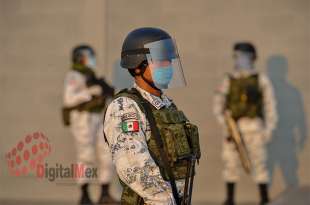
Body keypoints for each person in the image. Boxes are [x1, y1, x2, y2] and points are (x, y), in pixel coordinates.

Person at [103, 27, 201, 205]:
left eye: (169, 61)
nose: (169, 67)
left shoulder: (167, 106)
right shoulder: (125, 107)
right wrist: (164, 200)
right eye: (161, 61)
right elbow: (133, 167)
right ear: (138, 66)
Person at [213, 42, 278, 205]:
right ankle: (230, 199)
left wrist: (269, 129)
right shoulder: (228, 79)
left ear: (252, 58)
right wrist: (226, 126)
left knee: (259, 163)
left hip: (255, 127)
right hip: (234, 129)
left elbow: (270, 105)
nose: (239, 59)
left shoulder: (261, 79)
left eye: (243, 55)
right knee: (230, 164)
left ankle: (264, 198)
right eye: (236, 56)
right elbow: (218, 104)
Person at [62, 44, 117, 205]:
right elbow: (68, 100)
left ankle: (104, 194)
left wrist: (104, 91)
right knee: (85, 157)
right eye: (88, 56)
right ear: (79, 58)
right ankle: (84, 195)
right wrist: (90, 92)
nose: (91, 59)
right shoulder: (74, 76)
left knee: (107, 153)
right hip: (82, 119)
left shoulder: (90, 74)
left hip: (97, 117)